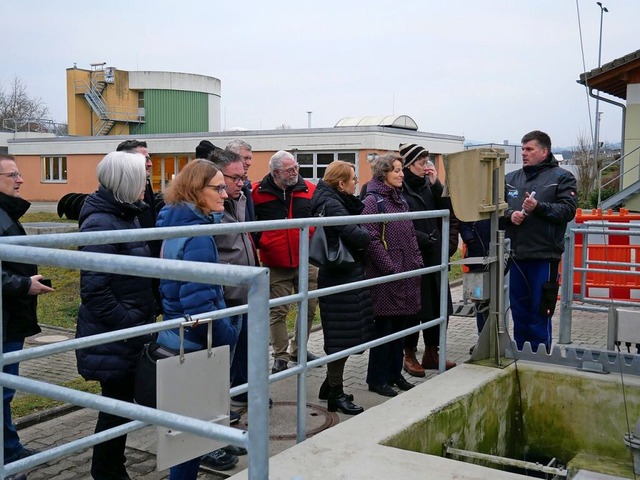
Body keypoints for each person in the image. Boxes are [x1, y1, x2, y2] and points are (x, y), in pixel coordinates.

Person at [155, 159, 239, 478]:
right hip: (194, 342)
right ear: (196, 190)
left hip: (176, 332)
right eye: (218, 188)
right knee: (191, 437)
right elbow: (199, 303)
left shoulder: (173, 223)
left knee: (185, 434)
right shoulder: (199, 236)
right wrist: (227, 333)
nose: (225, 193)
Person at [75, 151, 157, 480]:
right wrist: (129, 323)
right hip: (116, 334)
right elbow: (94, 290)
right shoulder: (101, 221)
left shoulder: (126, 214)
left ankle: (111, 467)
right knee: (114, 408)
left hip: (127, 331)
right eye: (142, 180)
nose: (147, 186)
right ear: (126, 182)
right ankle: (108, 471)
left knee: (119, 407)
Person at [0, 155, 53, 480]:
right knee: (3, 391)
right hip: (4, 321)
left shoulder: (7, 212)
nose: (20, 180)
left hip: (10, 320)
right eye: (13, 174)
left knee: (6, 391)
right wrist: (24, 285)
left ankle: (10, 450)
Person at [310, 161, 374, 415]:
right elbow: (358, 235)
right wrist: (367, 233)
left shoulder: (335, 199)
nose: (356, 182)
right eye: (353, 179)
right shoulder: (331, 203)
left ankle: (330, 384)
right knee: (340, 336)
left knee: (346, 333)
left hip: (345, 272)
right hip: (339, 275)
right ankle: (336, 394)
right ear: (341, 183)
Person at [504, 130, 577, 352]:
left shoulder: (562, 178)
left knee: (539, 310)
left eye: (529, 149)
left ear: (544, 151)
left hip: (544, 256)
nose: (524, 153)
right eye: (523, 148)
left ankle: (540, 355)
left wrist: (539, 207)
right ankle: (520, 354)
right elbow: (498, 208)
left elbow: (567, 211)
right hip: (517, 255)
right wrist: (510, 215)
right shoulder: (511, 179)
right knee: (518, 310)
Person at [361, 153, 423, 397]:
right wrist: (389, 268)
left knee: (401, 327)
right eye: (396, 170)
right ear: (383, 173)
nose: (401, 174)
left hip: (406, 273)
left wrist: (417, 262)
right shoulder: (372, 202)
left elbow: (410, 234)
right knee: (384, 328)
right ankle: (376, 378)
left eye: (401, 170)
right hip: (387, 276)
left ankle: (395, 373)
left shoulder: (401, 200)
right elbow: (371, 239)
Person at [251, 150, 319, 374]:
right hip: (275, 261)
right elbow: (250, 223)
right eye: (290, 170)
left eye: (296, 167)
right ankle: (280, 355)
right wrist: (264, 242)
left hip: (305, 259)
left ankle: (299, 350)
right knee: (278, 311)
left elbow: (319, 218)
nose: (295, 173)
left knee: (308, 307)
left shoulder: (309, 189)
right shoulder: (257, 193)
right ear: (275, 173)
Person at [398, 144, 457, 375]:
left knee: (437, 304)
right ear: (408, 165)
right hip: (413, 256)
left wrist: (437, 186)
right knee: (414, 307)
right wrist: (425, 238)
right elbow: (401, 222)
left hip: (434, 255)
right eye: (421, 163)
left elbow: (448, 211)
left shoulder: (428, 185)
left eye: (427, 162)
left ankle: (432, 352)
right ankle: (409, 353)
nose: (426, 167)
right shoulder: (400, 187)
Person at [460, 219, 491, 350]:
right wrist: (470, 239)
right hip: (476, 257)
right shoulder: (472, 201)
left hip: (496, 251)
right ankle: (482, 338)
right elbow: (463, 220)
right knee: (479, 299)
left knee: (495, 298)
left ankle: (492, 337)